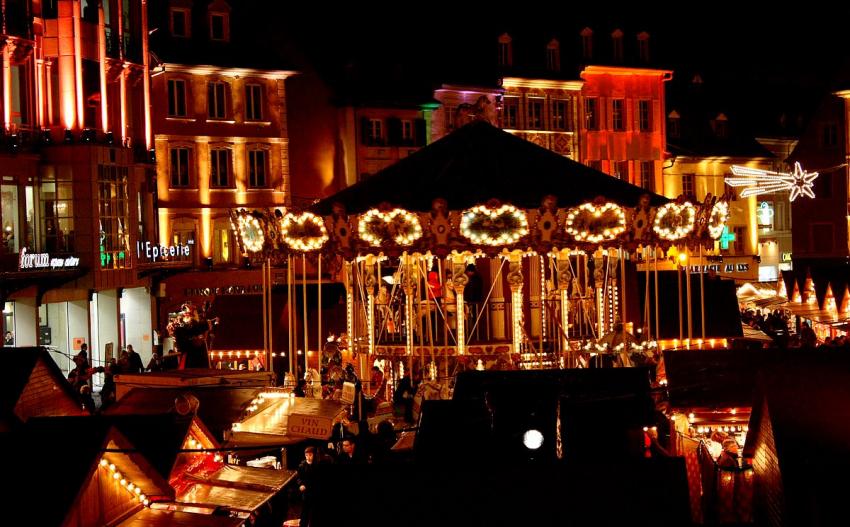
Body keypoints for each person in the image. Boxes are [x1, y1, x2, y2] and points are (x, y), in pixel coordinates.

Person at [297, 446, 320, 527]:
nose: (308, 457)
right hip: (306, 492)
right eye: (306, 455)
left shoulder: (317, 465)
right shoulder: (302, 465)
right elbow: (299, 478)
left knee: (315, 511)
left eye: (310, 455)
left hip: (315, 491)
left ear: (314, 455)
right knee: (305, 511)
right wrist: (301, 484)